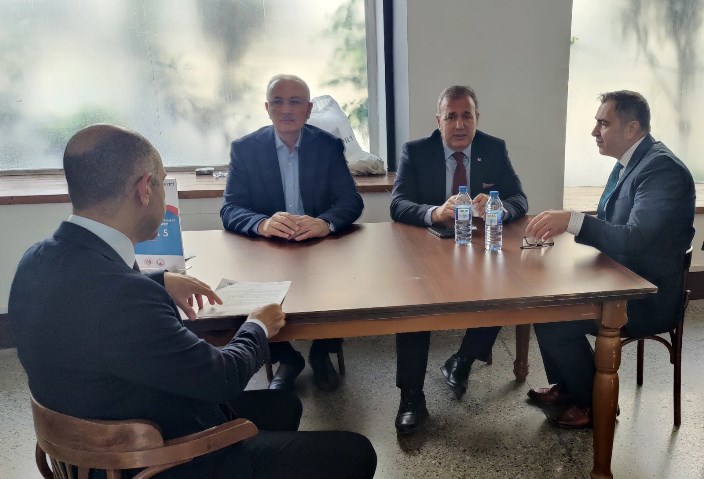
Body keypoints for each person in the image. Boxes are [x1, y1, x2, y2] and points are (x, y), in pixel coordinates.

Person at [9, 124, 376, 479]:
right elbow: (223, 378)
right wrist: (257, 326)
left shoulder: (35, 261)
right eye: (162, 181)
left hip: (96, 433)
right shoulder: (127, 299)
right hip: (156, 460)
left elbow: (92, 305)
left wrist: (160, 280)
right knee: (356, 452)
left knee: (284, 404)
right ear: (145, 189)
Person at [525, 90, 695, 429]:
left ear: (631, 128)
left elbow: (635, 238)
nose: (594, 132)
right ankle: (569, 387)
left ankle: (596, 405)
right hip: (619, 278)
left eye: (603, 124)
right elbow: (611, 223)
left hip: (646, 297)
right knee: (544, 302)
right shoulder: (632, 162)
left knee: (554, 319)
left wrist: (572, 221)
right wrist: (567, 225)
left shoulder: (662, 170)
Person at [390, 85, 528, 433]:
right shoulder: (415, 151)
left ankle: (462, 360)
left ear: (477, 118)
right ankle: (411, 396)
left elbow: (520, 199)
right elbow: (398, 204)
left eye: (467, 116)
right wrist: (435, 212)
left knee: (503, 289)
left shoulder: (493, 148)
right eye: (450, 116)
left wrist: (496, 207)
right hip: (427, 251)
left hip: (477, 248)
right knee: (414, 306)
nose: (459, 124)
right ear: (438, 120)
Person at [220, 74, 364, 393]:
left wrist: (325, 223)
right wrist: (262, 223)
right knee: (247, 290)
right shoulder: (246, 149)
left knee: (336, 283)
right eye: (278, 102)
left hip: (318, 247)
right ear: (267, 108)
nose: (286, 109)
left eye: (295, 102)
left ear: (308, 109)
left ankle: (322, 352)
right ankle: (286, 358)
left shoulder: (327, 146)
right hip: (268, 250)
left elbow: (351, 201)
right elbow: (230, 208)